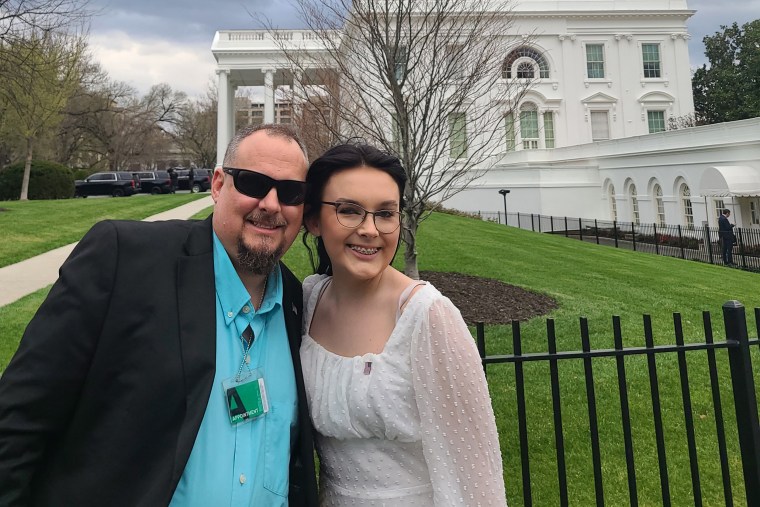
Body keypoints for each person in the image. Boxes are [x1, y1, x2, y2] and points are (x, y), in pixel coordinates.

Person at [0, 124, 319, 506]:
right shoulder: (124, 261)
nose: (270, 204)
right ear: (218, 185)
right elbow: (18, 425)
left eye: (290, 192)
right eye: (252, 183)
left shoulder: (298, 304)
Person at [299, 143, 507, 505]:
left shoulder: (427, 316)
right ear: (314, 219)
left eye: (385, 213)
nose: (369, 229)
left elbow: (475, 473)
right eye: (349, 210)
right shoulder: (308, 300)